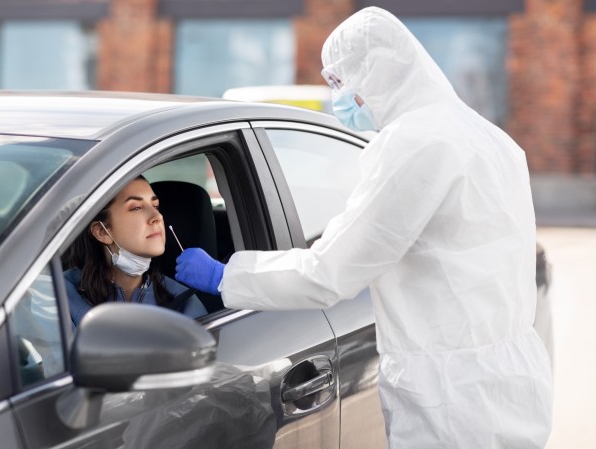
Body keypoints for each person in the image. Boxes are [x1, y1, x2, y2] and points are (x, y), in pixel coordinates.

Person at [175, 7, 552, 449]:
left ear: (376, 72)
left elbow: (329, 273)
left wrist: (225, 276)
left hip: (450, 395)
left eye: (339, 82)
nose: (337, 96)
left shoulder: (413, 143)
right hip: (511, 379)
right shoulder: (489, 137)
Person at [64, 175, 206, 328]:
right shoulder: (61, 294)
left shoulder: (183, 302)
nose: (157, 216)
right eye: (136, 207)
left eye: (156, 206)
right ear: (101, 232)